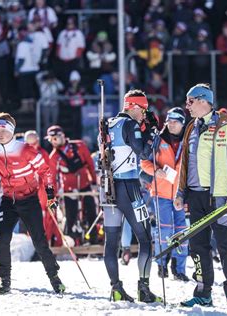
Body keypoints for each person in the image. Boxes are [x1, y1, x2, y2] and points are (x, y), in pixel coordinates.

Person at [174, 84, 227, 308]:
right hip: (195, 197)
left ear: (204, 101)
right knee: (198, 247)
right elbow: (184, 163)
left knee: (225, 246)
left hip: (220, 197)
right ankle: (203, 292)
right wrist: (180, 193)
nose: (187, 106)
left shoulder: (226, 124)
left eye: (190, 101)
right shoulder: (191, 127)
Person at [0, 113, 64, 294]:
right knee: (3, 239)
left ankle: (54, 278)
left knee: (39, 241)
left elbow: (45, 171)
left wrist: (51, 195)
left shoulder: (25, 149)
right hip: (8, 200)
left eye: (3, 130)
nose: (0, 133)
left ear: (11, 131)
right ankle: (5, 280)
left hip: (29, 199)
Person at [100, 89, 162, 303]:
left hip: (108, 186)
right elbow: (144, 152)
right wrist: (153, 132)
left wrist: (144, 130)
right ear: (134, 106)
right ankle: (143, 289)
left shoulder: (109, 123)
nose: (144, 114)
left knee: (111, 242)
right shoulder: (130, 124)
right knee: (145, 238)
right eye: (143, 109)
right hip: (128, 185)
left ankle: (116, 288)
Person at [140, 107, 189, 282]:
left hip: (180, 194)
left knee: (182, 231)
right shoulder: (157, 140)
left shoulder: (189, 141)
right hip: (160, 192)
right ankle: (162, 264)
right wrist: (157, 171)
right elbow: (144, 162)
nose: (171, 124)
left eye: (175, 121)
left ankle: (179, 267)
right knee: (164, 230)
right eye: (169, 121)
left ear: (182, 123)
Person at [47, 125, 98, 245]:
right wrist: (52, 195)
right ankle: (72, 241)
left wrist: (94, 182)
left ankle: (93, 240)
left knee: (91, 213)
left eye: (55, 138)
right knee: (71, 216)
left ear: (62, 136)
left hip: (85, 186)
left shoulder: (79, 146)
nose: (53, 142)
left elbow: (90, 164)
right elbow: (53, 178)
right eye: (51, 139)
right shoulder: (54, 157)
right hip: (68, 189)